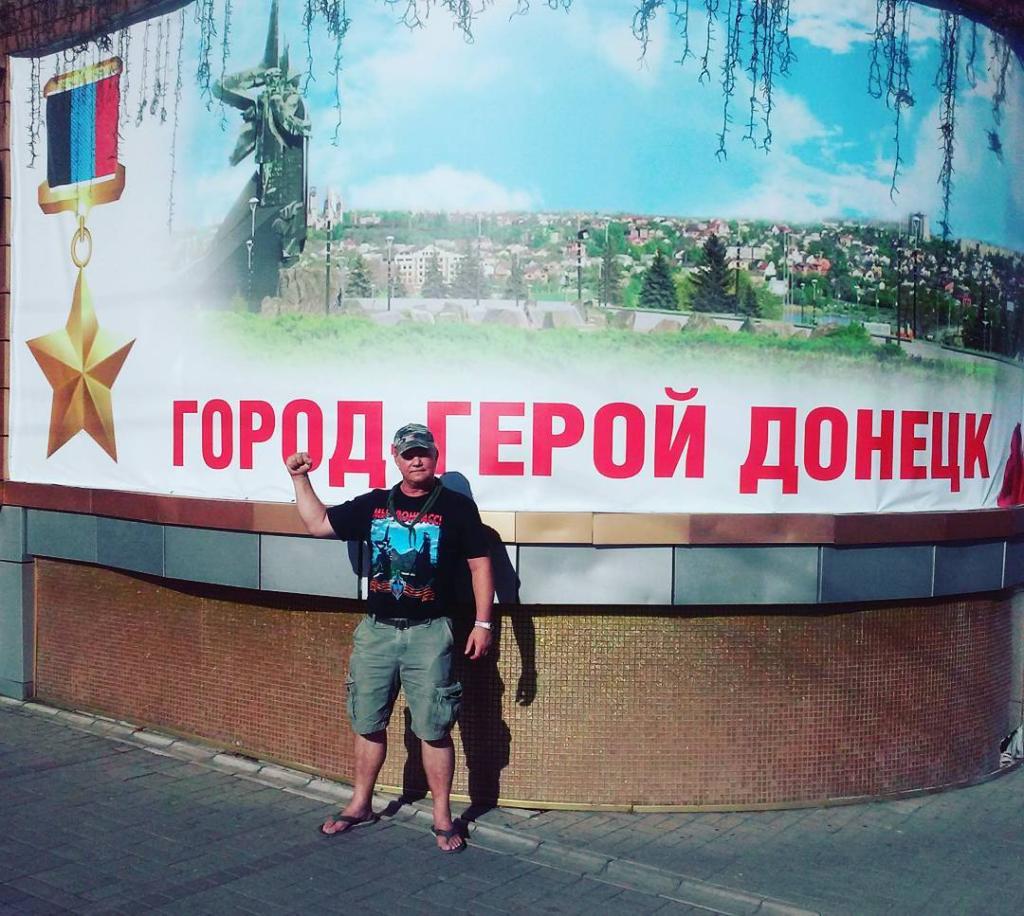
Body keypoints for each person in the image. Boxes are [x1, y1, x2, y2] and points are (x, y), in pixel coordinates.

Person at [285, 422, 494, 853]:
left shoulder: (457, 508)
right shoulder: (375, 504)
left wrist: (483, 623)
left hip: (430, 633)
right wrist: (299, 477)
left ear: (435, 457)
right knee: (367, 720)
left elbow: (479, 565)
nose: (417, 459)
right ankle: (361, 803)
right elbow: (319, 523)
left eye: (424, 452)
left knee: (435, 728)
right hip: (376, 632)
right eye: (408, 453)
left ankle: (441, 816)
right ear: (395, 459)